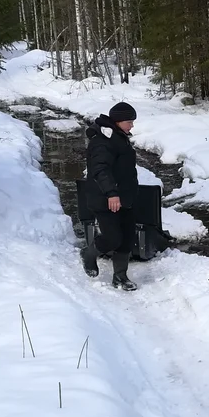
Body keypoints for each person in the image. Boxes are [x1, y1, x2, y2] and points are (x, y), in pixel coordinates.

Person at [85, 102, 140, 290]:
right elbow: (100, 170)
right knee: (113, 238)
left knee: (127, 237)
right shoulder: (102, 140)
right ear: (117, 121)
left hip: (125, 196)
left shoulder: (119, 136)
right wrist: (112, 194)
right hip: (106, 198)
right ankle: (89, 253)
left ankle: (120, 277)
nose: (132, 125)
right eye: (129, 121)